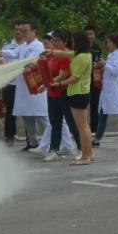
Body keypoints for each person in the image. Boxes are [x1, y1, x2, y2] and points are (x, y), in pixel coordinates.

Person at [42, 32, 81, 162]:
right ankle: (53, 150)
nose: (55, 43)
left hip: (65, 93)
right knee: (55, 123)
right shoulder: (51, 54)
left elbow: (62, 76)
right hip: (52, 93)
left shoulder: (67, 55)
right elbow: (44, 69)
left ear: (65, 42)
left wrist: (46, 84)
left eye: (59, 40)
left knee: (72, 123)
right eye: (54, 40)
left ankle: (81, 149)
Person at [10, 21, 47, 150]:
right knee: (27, 115)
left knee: (40, 115)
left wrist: (17, 65)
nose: (23, 33)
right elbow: (14, 53)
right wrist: (3, 53)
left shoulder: (39, 46)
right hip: (23, 86)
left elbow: (29, 61)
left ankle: (53, 140)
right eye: (22, 31)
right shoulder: (23, 45)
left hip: (34, 85)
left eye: (26, 31)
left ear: (34, 31)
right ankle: (32, 142)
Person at [65, 30, 96, 166]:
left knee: (82, 127)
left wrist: (58, 83)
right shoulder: (82, 54)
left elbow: (74, 78)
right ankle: (89, 154)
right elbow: (65, 54)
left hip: (78, 93)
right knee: (84, 126)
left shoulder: (82, 57)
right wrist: (52, 52)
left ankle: (85, 156)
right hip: (80, 93)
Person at [0, 21, 25, 147]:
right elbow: (1, 61)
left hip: (25, 83)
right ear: (13, 31)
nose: (18, 31)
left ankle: (31, 139)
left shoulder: (28, 44)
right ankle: (9, 136)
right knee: (11, 111)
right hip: (11, 83)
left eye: (20, 29)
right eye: (16, 29)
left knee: (27, 111)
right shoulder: (7, 45)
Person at [85, 25, 103, 132]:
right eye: (87, 34)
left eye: (91, 34)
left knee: (95, 104)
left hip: (95, 80)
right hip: (83, 80)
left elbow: (99, 62)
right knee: (82, 105)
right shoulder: (80, 48)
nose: (89, 36)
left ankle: (94, 129)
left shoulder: (97, 48)